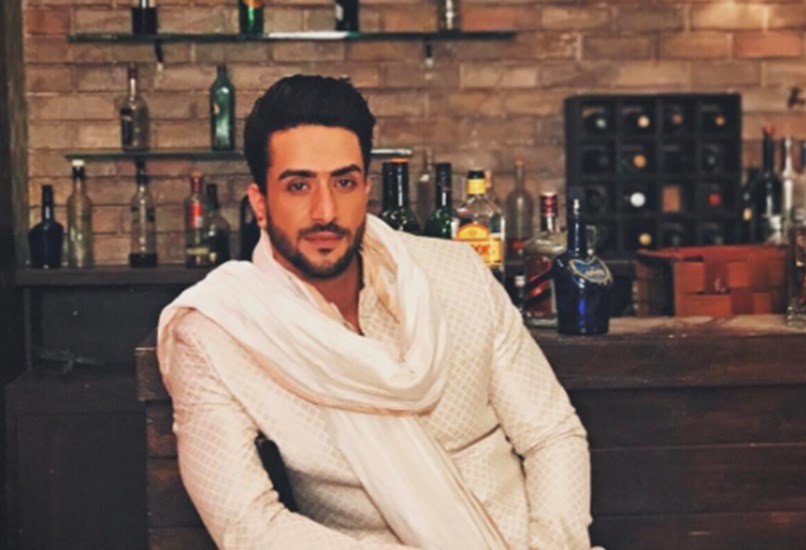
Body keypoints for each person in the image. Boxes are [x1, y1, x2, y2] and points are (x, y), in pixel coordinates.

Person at [158, 74, 593, 549]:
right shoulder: (219, 331)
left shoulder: (457, 274)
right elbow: (248, 524)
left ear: (366, 189)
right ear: (260, 203)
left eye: (344, 182)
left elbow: (552, 434)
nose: (326, 211)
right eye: (299, 185)